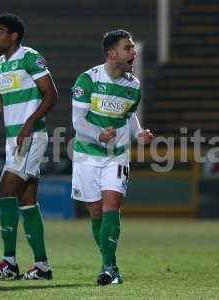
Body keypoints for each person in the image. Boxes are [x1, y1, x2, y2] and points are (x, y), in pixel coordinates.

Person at [0, 13, 58, 281]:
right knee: (27, 201)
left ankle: (9, 263)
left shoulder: (30, 57)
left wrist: (30, 122)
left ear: (14, 36)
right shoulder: (0, 64)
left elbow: (52, 94)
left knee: (4, 193)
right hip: (14, 139)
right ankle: (42, 267)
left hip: (31, 137)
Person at [71, 29, 154, 285]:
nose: (133, 52)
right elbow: (77, 121)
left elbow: (129, 117)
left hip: (116, 156)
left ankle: (108, 268)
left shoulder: (133, 85)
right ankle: (112, 263)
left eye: (133, 47)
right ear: (112, 53)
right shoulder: (88, 80)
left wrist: (139, 134)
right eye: (128, 48)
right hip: (87, 155)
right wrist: (98, 135)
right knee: (95, 212)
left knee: (111, 206)